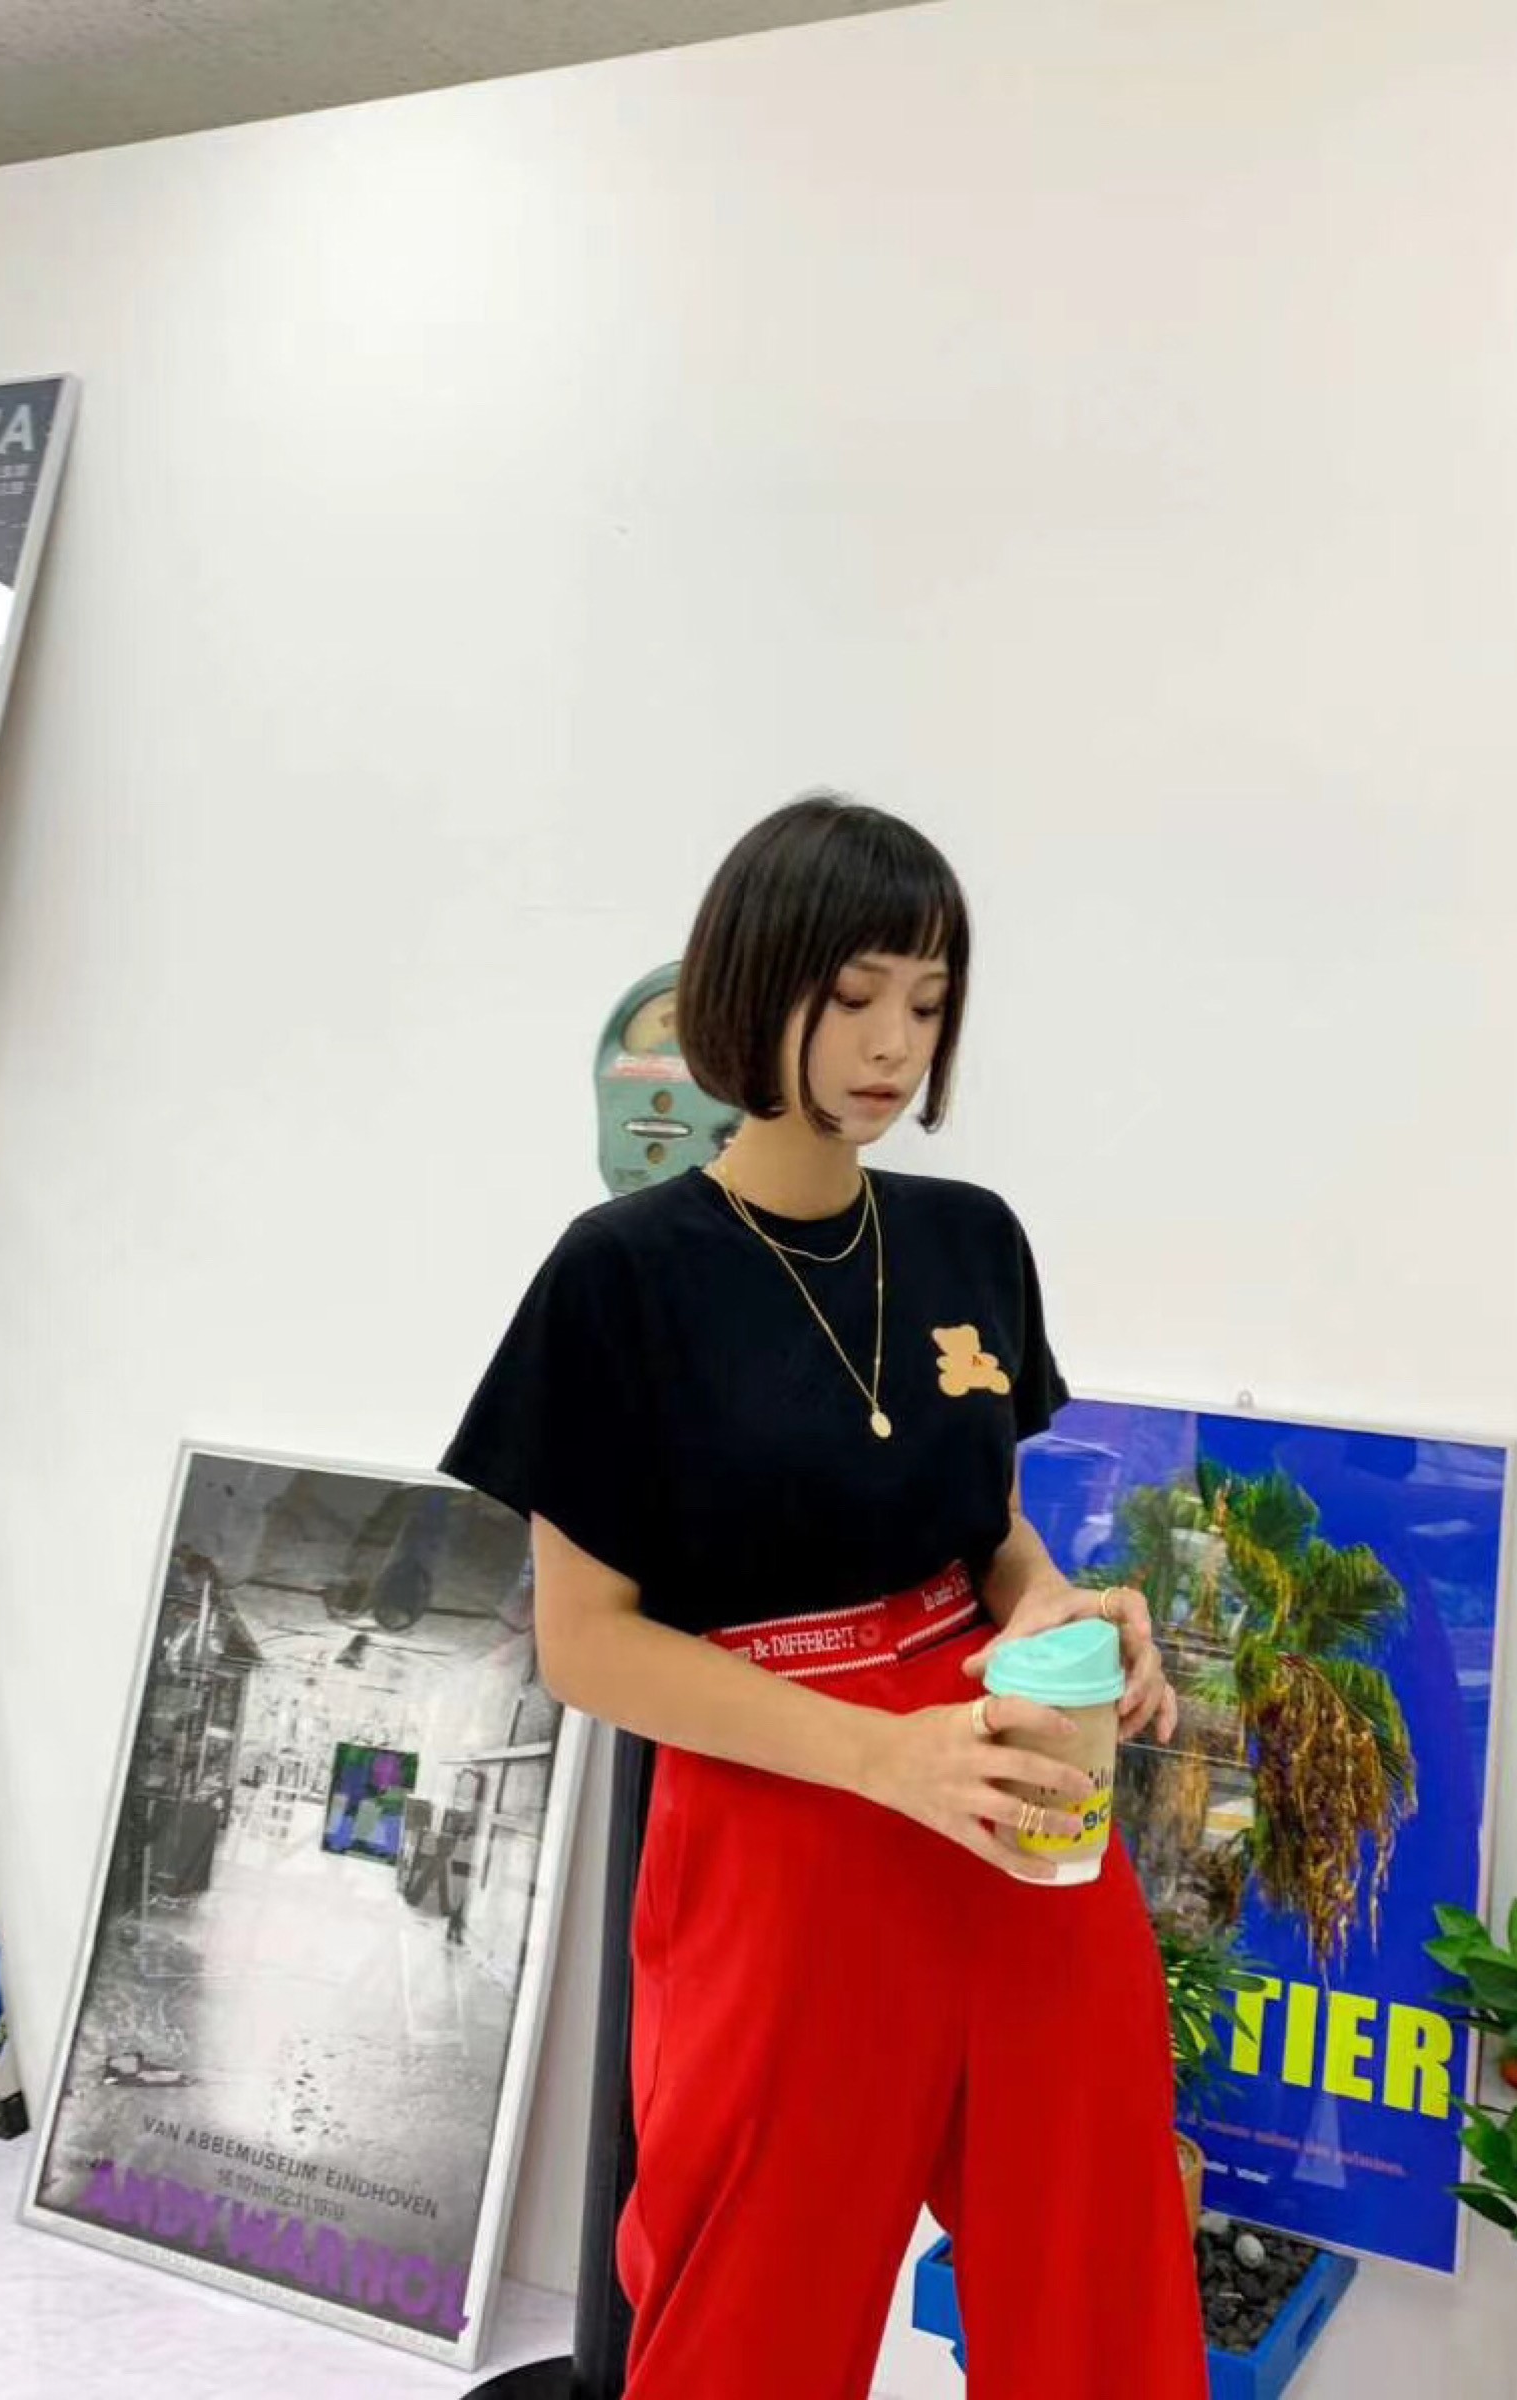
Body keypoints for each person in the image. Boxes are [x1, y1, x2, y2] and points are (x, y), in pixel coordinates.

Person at [442, 793, 1207, 2399]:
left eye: (927, 1003)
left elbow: (986, 1537)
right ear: (753, 985)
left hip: (1013, 1800)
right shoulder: (622, 1274)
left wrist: (1059, 1609)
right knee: (757, 2298)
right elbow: (586, 1648)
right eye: (853, 995)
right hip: (780, 1822)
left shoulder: (969, 1239)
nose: (893, 1046)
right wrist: (881, 1758)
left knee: (1096, 2250)